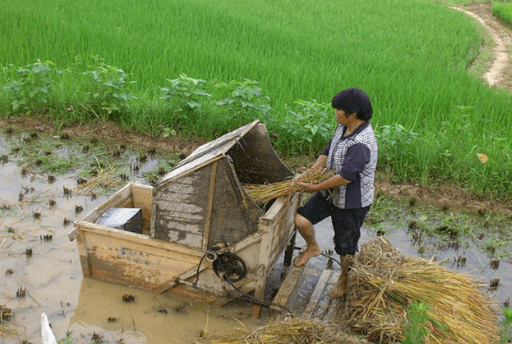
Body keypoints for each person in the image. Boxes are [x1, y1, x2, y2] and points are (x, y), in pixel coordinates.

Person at [293, 88, 378, 298]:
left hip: (351, 202)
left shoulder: (361, 143)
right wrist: (312, 172)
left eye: (339, 109)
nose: (336, 112)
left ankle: (344, 281)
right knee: (301, 220)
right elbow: (328, 150)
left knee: (345, 247)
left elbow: (346, 177)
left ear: (353, 113)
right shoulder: (343, 127)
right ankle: (313, 247)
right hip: (331, 192)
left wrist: (313, 187)